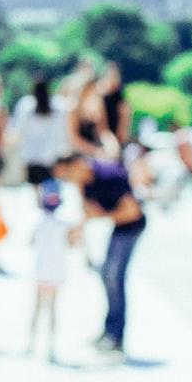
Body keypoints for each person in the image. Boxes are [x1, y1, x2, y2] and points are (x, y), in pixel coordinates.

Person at [55, 151, 146, 358]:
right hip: (118, 226)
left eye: (68, 175)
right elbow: (87, 212)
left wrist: (102, 215)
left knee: (114, 277)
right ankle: (110, 331)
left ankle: (116, 336)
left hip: (131, 227)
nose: (68, 181)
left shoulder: (110, 176)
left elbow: (132, 212)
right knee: (107, 276)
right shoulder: (83, 183)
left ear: (78, 164)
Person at [26, 181, 72, 363]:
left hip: (42, 270)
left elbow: (30, 241)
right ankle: (49, 346)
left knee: (38, 309)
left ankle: (32, 343)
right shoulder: (64, 222)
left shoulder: (38, 220)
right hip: (55, 270)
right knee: (51, 310)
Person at [11, 76, 68, 189]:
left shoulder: (25, 105)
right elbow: (63, 131)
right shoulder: (58, 105)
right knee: (52, 193)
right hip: (53, 155)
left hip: (31, 156)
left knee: (36, 194)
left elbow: (18, 131)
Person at [98, 62, 132, 151]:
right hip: (98, 139)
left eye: (115, 76)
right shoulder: (97, 99)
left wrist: (115, 144)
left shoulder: (122, 103)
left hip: (114, 143)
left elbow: (123, 132)